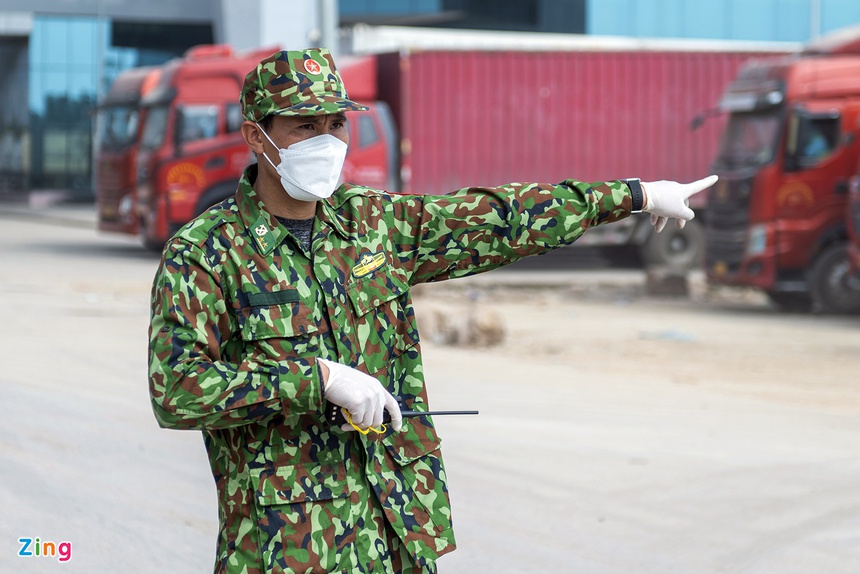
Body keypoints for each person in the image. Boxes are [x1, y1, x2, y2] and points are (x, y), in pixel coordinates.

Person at [148, 47, 717, 574]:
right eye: (305, 125)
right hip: (288, 548)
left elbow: (499, 217)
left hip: (395, 531)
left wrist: (635, 195)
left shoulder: (374, 224)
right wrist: (315, 380)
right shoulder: (207, 252)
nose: (327, 139)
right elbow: (176, 390)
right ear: (257, 135)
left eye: (336, 124)